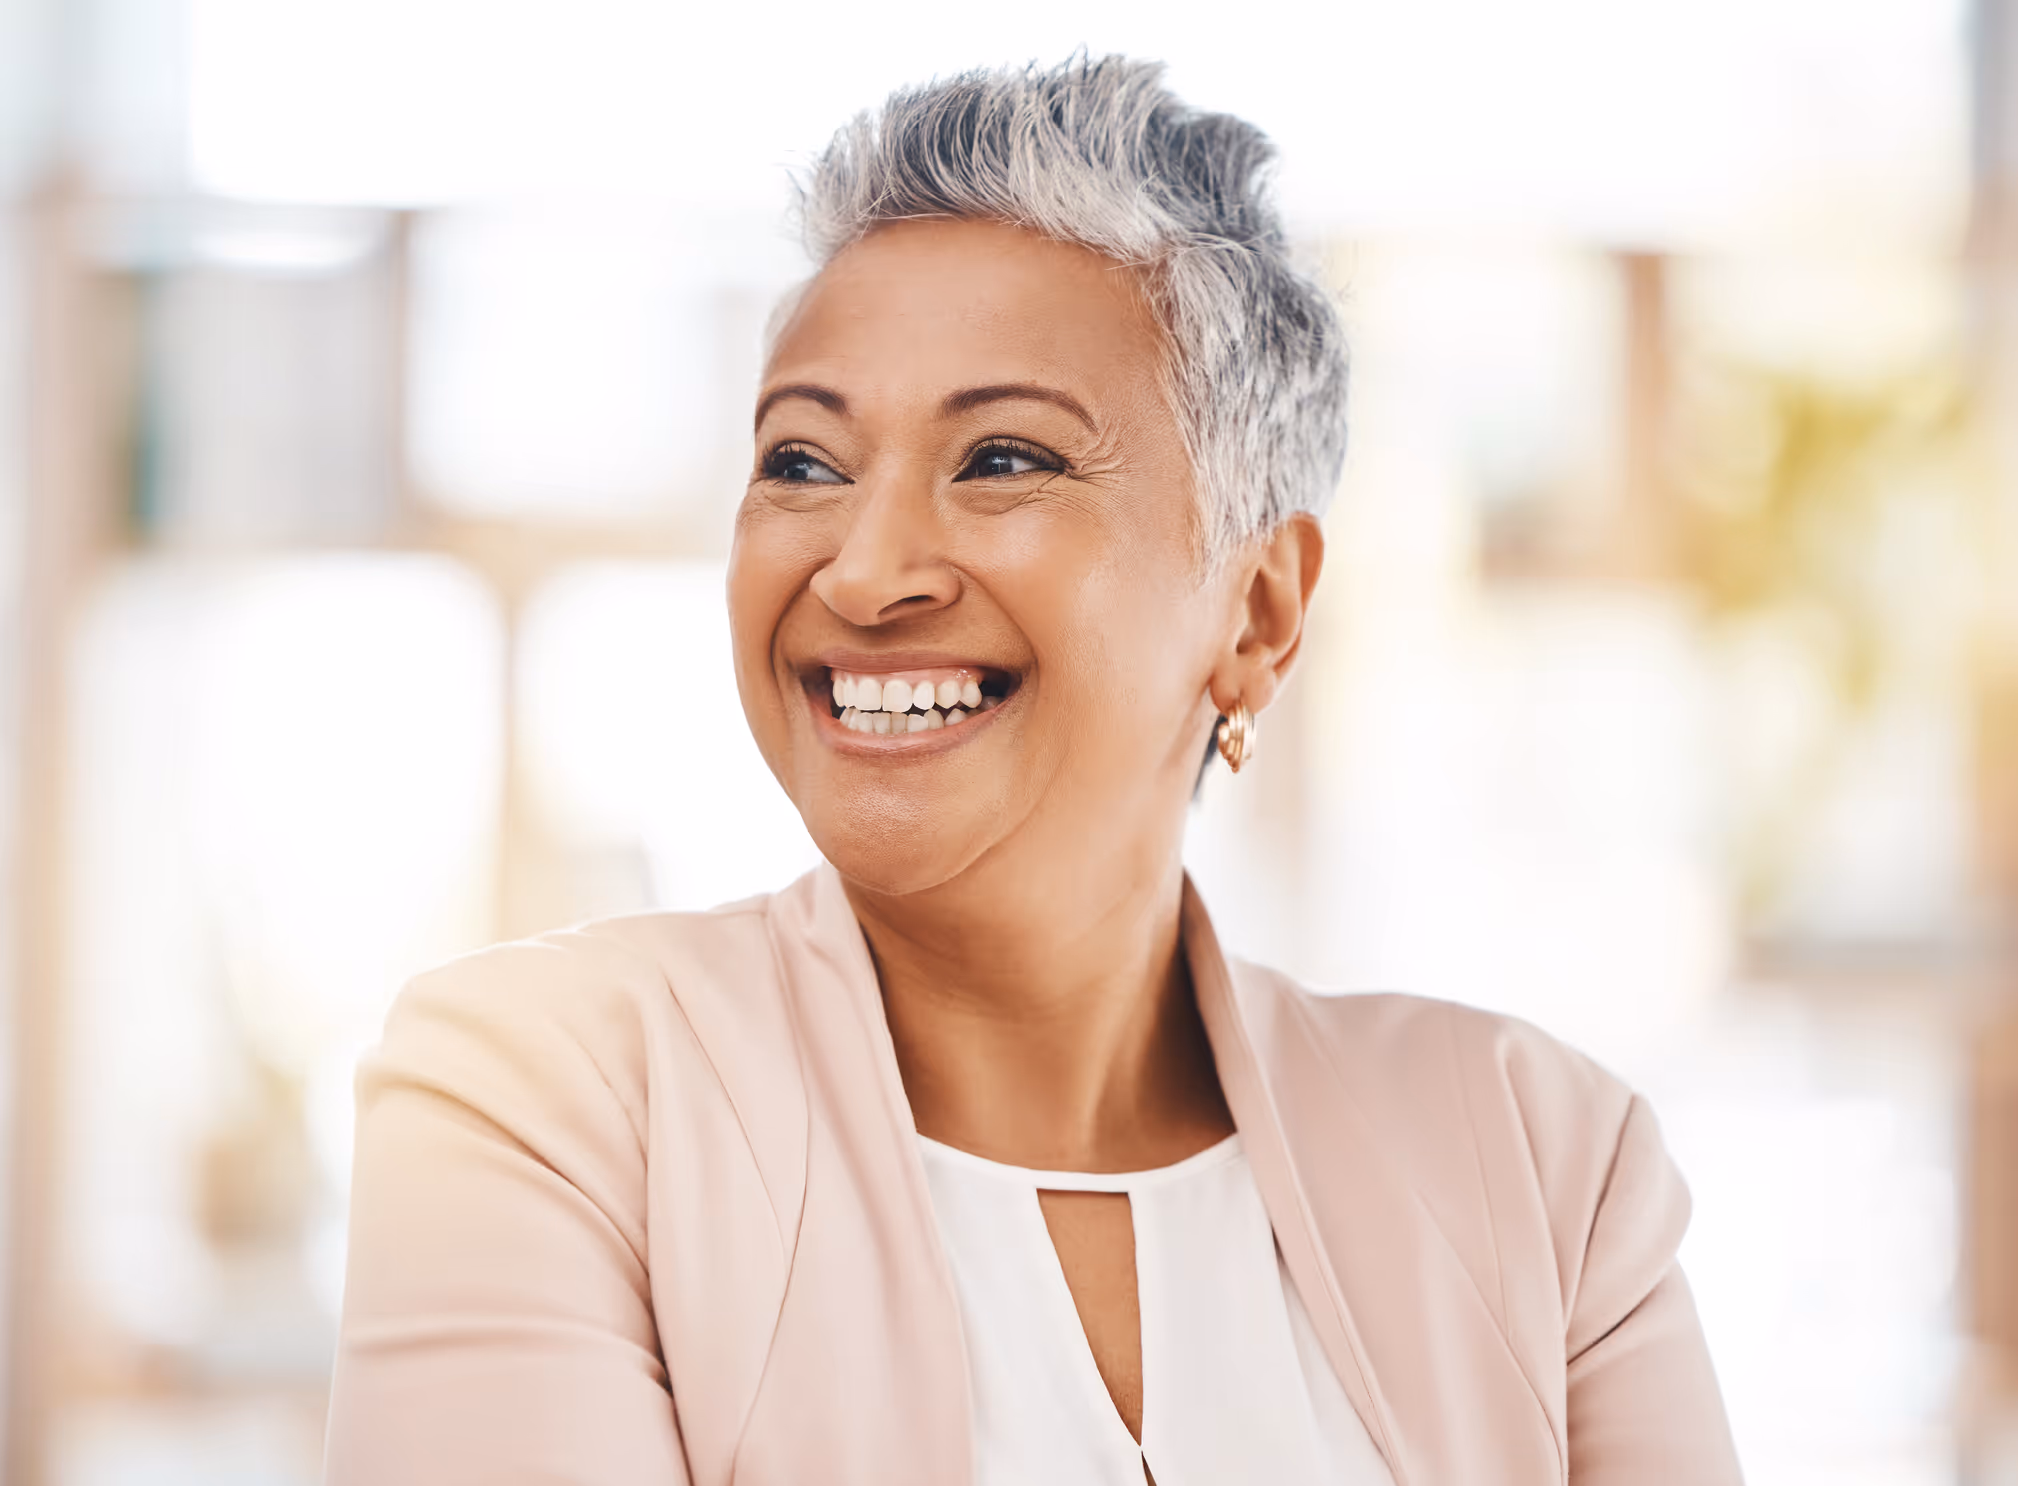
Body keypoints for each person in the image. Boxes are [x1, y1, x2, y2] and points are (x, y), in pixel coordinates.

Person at [324, 55, 1743, 1486]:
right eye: (804, 464)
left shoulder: (1543, 1165)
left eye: (1002, 457)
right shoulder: (541, 1099)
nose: (865, 572)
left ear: (1254, 613)